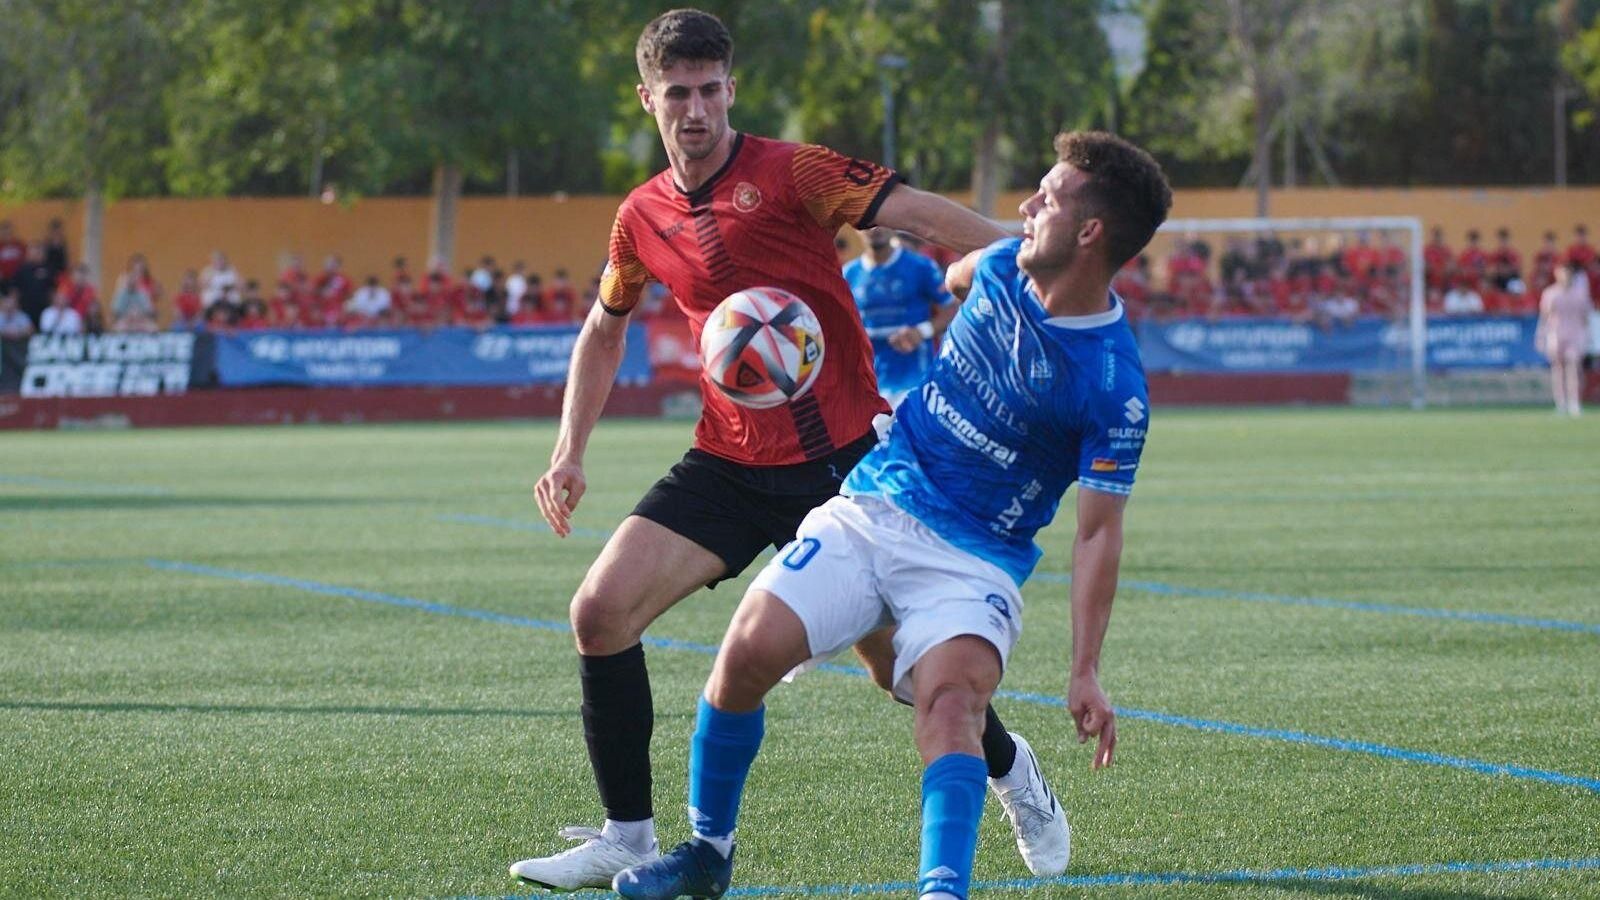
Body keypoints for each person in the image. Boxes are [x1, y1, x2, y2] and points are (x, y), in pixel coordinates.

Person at [511, 9, 1060, 892]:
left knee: (903, 676)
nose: (695, 109)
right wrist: (569, 449)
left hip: (849, 467)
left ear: (731, 89)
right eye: (676, 93)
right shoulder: (641, 216)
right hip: (727, 462)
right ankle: (628, 837)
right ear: (648, 98)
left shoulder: (795, 171)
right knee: (599, 612)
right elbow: (604, 328)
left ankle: (1012, 774)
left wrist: (1042, 253)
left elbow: (921, 218)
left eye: (709, 90)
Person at [613, 130, 1170, 900]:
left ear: (1090, 231)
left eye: (1046, 196)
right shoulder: (1004, 264)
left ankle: (944, 889)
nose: (1024, 204)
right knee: (745, 655)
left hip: (976, 555)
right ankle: (708, 853)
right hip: (878, 501)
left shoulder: (1113, 385)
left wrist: (1084, 671)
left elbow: (1098, 531)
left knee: (948, 706)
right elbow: (967, 278)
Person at [844, 227, 958, 408]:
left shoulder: (921, 267)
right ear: (856, 229)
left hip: (916, 379)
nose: (876, 228)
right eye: (868, 224)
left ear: (891, 226)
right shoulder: (849, 274)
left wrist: (921, 331)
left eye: (881, 222)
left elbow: (952, 308)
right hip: (870, 384)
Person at [1536, 262, 1593, 417]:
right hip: (1556, 334)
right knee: (1558, 369)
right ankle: (1560, 403)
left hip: (1575, 335)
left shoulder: (1580, 293)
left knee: (1574, 367)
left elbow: (1586, 318)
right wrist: (1541, 336)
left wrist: (1588, 336)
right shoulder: (1550, 293)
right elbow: (1544, 317)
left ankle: (1574, 403)